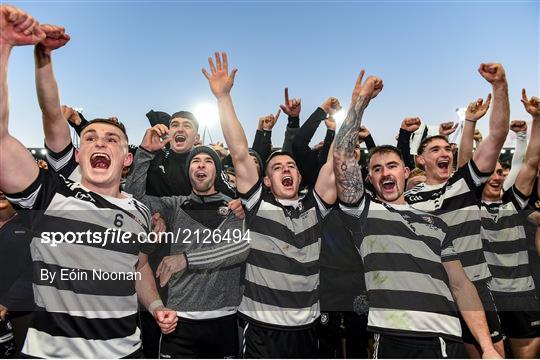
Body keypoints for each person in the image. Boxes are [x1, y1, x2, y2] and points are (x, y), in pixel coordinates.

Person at [0, 6, 176, 357]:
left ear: (127, 159)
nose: (99, 142)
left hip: (128, 351)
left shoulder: (140, 212)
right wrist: (4, 46)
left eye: (111, 139)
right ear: (78, 155)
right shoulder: (51, 197)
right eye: (90, 137)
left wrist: (155, 306)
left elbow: (138, 266)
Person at [333, 68, 500, 359]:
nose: (385, 172)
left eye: (392, 165)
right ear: (369, 179)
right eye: (376, 168)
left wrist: (486, 347)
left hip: (447, 339)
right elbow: (342, 158)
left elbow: (461, 286)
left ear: (407, 171)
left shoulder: (436, 223)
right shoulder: (364, 214)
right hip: (394, 338)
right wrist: (359, 104)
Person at [201, 51, 336, 358]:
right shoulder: (257, 204)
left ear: (301, 177)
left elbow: (334, 163)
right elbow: (238, 152)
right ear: (265, 181)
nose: (285, 169)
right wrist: (223, 98)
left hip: (307, 328)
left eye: (291, 166)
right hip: (261, 327)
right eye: (276, 167)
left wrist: (357, 106)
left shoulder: (316, 206)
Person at [406, 63, 510, 357]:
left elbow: (498, 135)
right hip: (434, 293)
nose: (444, 152)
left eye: (446, 148)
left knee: (492, 354)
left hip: (475, 285)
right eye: (435, 149)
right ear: (420, 160)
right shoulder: (407, 199)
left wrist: (500, 86)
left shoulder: (464, 183)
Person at [125, 129, 248, 358]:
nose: (201, 165)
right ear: (189, 171)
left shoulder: (234, 208)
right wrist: (144, 154)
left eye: (208, 161)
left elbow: (239, 250)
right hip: (178, 321)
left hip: (223, 320)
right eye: (195, 162)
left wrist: (186, 259)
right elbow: (134, 200)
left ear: (216, 170)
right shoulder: (175, 205)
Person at [460, 89, 540, 358]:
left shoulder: (514, 203)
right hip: (487, 297)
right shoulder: (468, 207)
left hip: (521, 294)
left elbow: (530, 162)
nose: (496, 176)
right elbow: (463, 165)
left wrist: (537, 120)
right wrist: (470, 123)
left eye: (501, 172)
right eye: (490, 171)